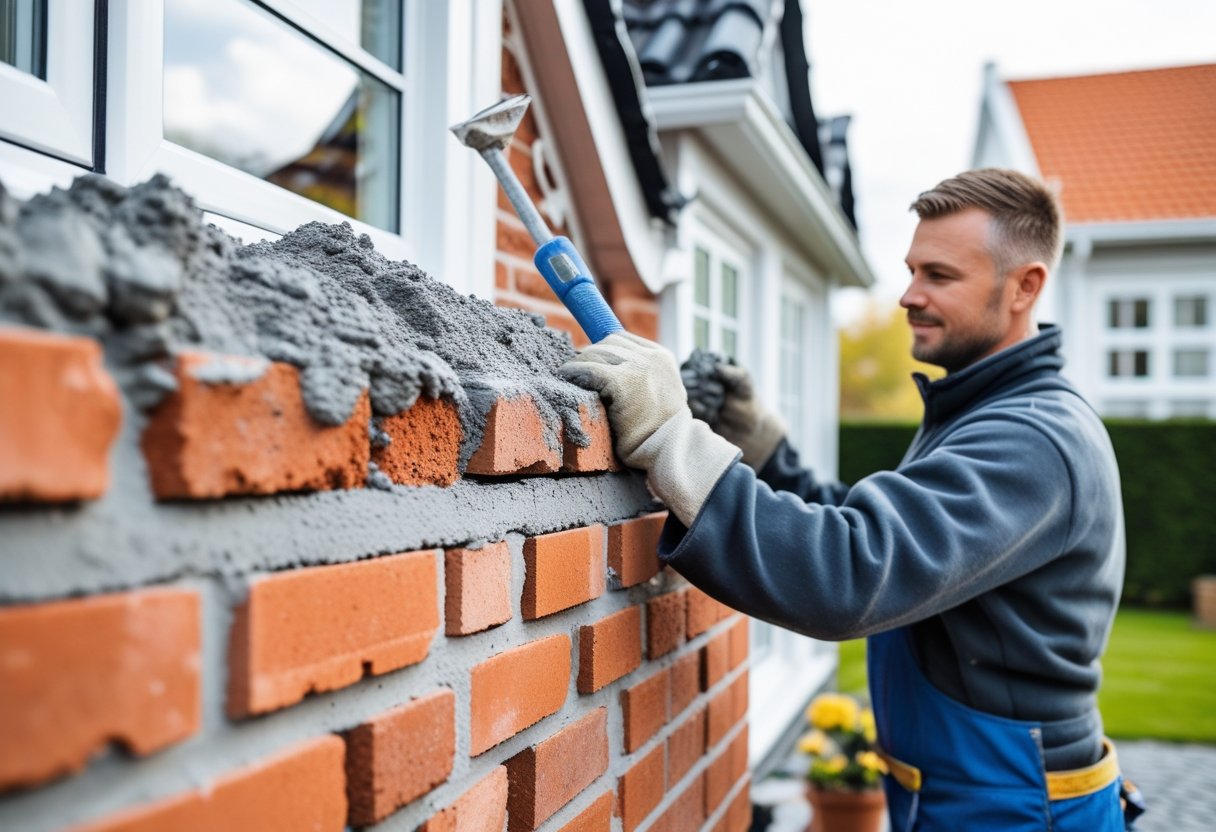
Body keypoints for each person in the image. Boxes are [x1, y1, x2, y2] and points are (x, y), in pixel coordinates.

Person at [560, 169, 1132, 831]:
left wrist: (670, 438)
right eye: (912, 270)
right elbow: (880, 532)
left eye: (939, 276)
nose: (909, 296)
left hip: (1017, 803)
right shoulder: (981, 410)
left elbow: (852, 572)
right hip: (968, 786)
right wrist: (762, 445)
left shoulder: (1031, 440)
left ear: (1025, 285)